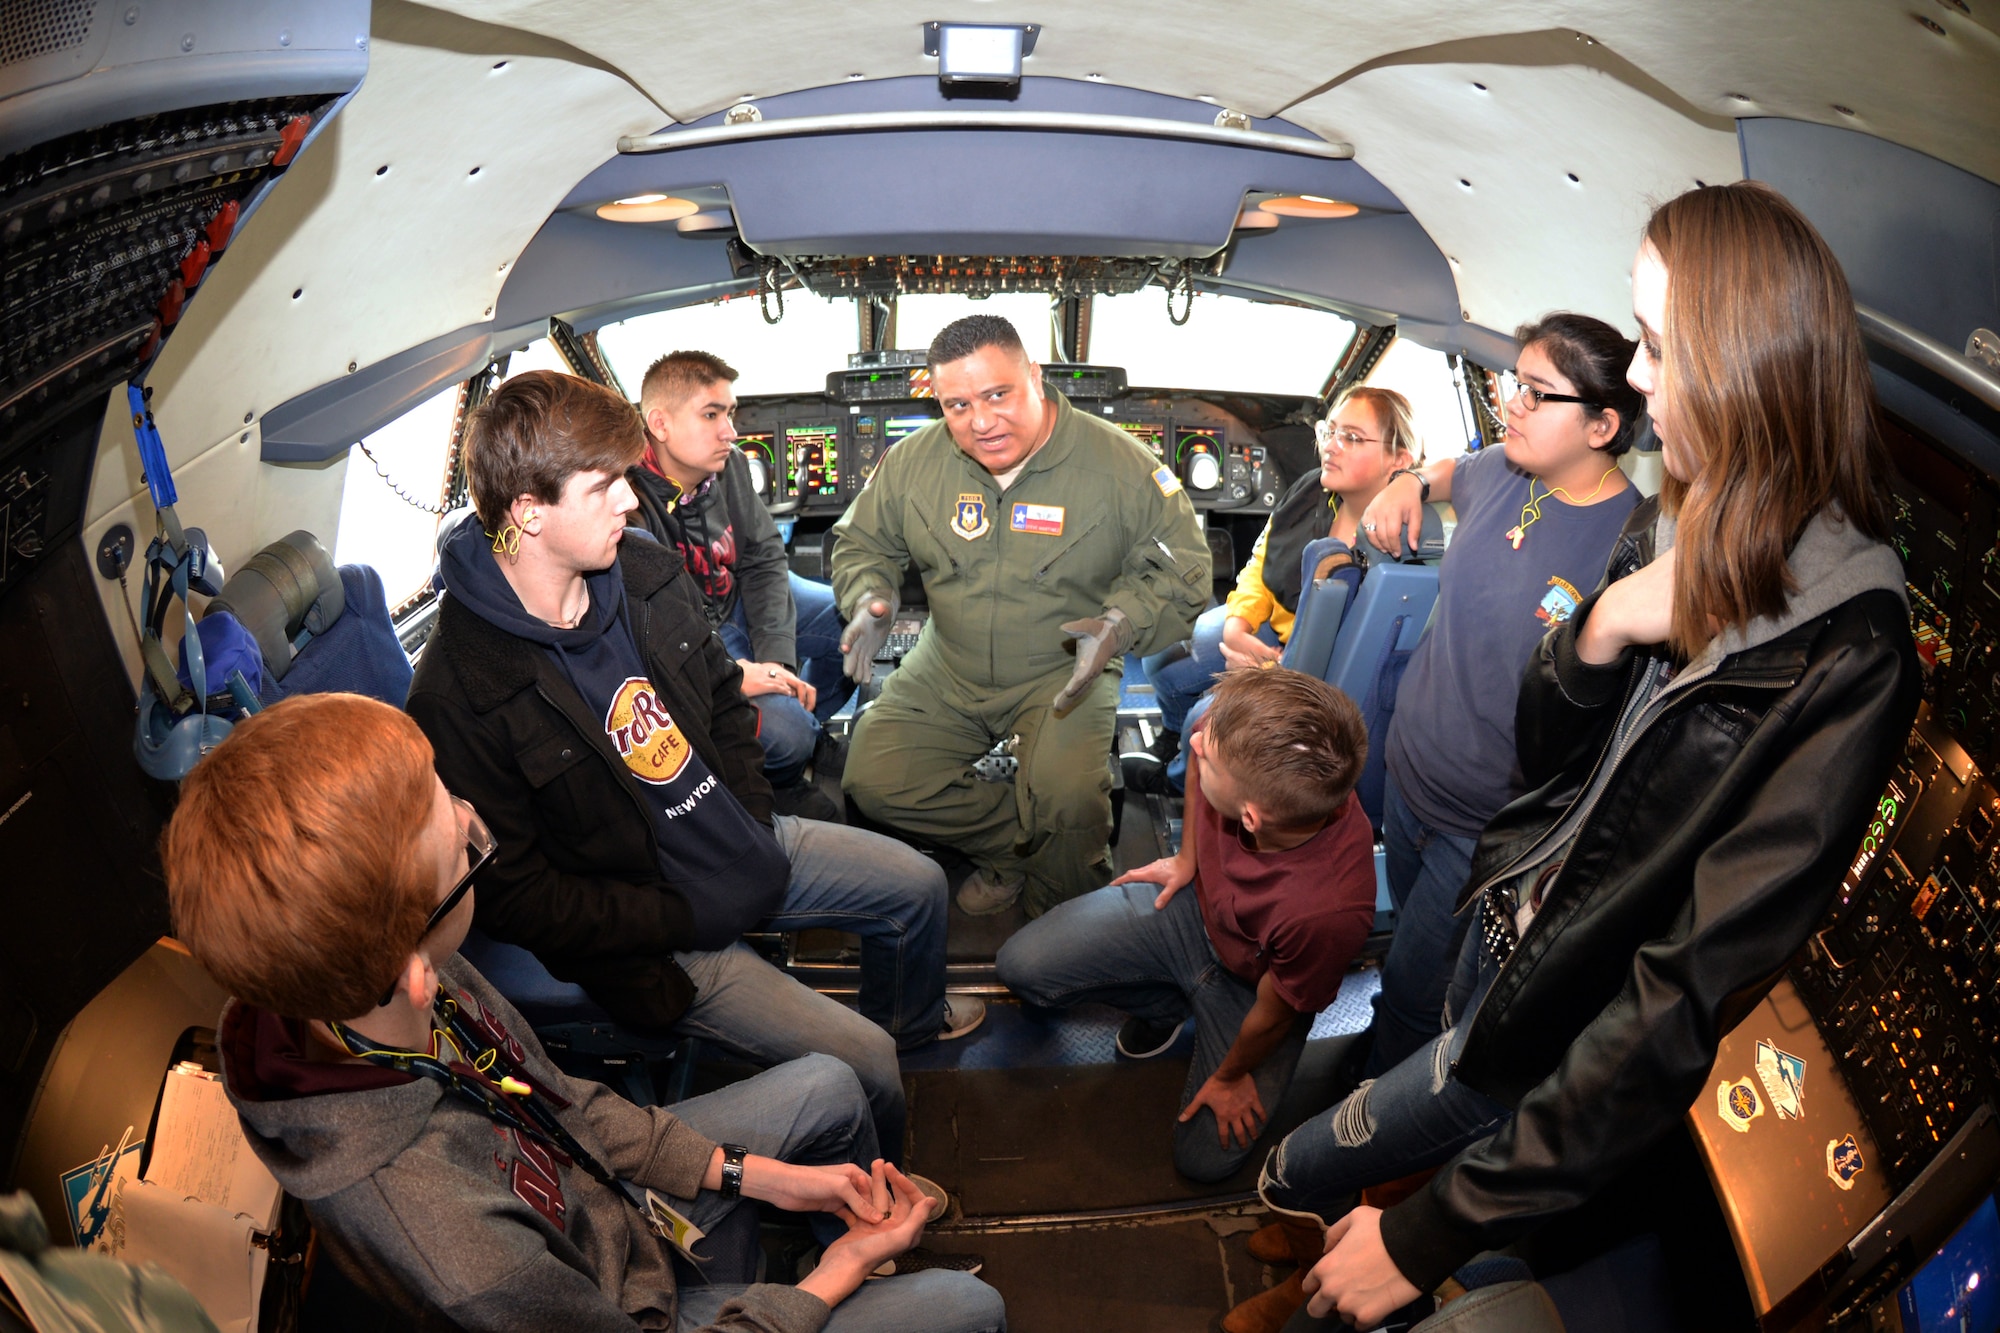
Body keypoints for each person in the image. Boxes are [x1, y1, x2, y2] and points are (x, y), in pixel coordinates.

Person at [1253, 182, 1919, 1330]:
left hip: (1572, 1011)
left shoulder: (1849, 644)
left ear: (1747, 358)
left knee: (1350, 1155)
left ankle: (1359, 1257)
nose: (1645, 374)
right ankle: (1324, 1239)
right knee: (1353, 1144)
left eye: (1659, 344)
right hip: (1513, 925)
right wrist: (1604, 625)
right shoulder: (1681, 521)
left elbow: (1678, 996)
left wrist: (1424, 1235)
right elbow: (1557, 760)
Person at [166, 692, 1005, 1333]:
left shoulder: (385, 986)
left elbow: (559, 1103)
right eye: (456, 840)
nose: (467, 817)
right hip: (629, 1308)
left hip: (614, 1212)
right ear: (411, 967)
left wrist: (763, 1176)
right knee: (970, 1309)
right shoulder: (448, 1238)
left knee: (830, 1081)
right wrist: (833, 1279)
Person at [406, 370, 987, 1182]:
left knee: (918, 886)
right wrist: (672, 911)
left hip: (739, 839)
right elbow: (520, 895)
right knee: (869, 1063)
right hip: (661, 934)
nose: (630, 501)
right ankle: (871, 1196)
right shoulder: (462, 689)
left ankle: (916, 1020)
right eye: (603, 483)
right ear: (529, 512)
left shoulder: (639, 568)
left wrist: (749, 818)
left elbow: (719, 696)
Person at [831, 315, 1210, 918]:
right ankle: (1018, 850)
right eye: (957, 405)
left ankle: (1064, 922)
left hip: (1066, 666)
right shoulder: (912, 464)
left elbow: (1183, 570)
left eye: (997, 394)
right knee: (875, 777)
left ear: (1035, 376)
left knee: (1066, 801)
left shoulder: (1121, 468)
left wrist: (1117, 626)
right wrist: (870, 599)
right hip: (948, 662)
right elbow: (863, 544)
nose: (980, 422)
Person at [1350, 314, 1646, 1083]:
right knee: (1398, 966)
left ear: (1602, 424)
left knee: (1421, 997)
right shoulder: (1505, 472)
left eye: (1537, 393)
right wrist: (1408, 478)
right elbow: (1452, 467)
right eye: (1513, 383)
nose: (1512, 403)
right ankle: (1378, 1047)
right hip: (1409, 781)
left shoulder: (1632, 545)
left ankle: (1367, 1136)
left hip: (1482, 828)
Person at [997, 666, 1377, 1186]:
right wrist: (1187, 860)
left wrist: (1231, 1075)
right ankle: (1170, 1005)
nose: (1195, 743)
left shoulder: (1326, 912)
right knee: (1024, 968)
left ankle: (1197, 1013)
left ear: (1250, 819)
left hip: (1251, 993)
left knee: (1203, 1161)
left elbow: (1273, 1014)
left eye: (1209, 755)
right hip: (1192, 916)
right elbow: (1202, 755)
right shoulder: (1230, 739)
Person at [1129, 386, 1419, 795]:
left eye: (1351, 438)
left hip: (1314, 671)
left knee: (1205, 719)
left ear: (1399, 460)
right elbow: (1262, 559)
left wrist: (1264, 676)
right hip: (1277, 630)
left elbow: (1352, 662)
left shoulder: (1392, 547)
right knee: (1164, 657)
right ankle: (1173, 737)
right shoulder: (1311, 492)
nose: (1331, 447)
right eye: (1329, 431)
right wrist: (1237, 625)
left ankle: (1180, 778)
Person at [631, 350, 851, 798]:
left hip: (734, 600)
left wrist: (777, 664)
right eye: (711, 414)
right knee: (786, 738)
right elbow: (652, 634)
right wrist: (733, 672)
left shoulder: (725, 464)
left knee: (849, 620)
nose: (730, 433)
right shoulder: (627, 500)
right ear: (660, 423)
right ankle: (778, 772)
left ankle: (808, 723)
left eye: (730, 413)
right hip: (690, 635)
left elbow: (764, 555)